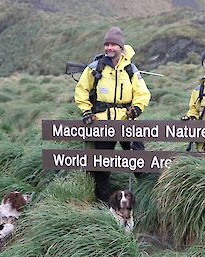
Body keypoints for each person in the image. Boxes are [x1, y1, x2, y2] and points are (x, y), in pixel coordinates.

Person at [74, 27, 151, 202]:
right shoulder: (95, 68)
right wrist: (86, 111)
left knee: (140, 164)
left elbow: (143, 93)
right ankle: (103, 206)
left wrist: (137, 108)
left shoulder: (131, 69)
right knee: (101, 168)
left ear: (121, 47)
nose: (109, 48)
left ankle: (147, 201)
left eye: (113, 45)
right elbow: (81, 90)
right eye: (106, 44)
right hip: (102, 123)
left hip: (126, 121)